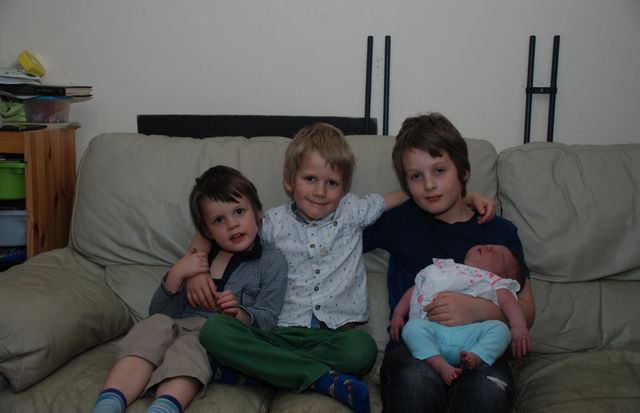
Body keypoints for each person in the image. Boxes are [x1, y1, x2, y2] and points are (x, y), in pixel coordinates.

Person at [186, 123, 496, 413]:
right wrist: (197, 269)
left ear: (345, 189)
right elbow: (215, 228)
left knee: (363, 350)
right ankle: (319, 378)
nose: (320, 191)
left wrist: (464, 195)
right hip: (277, 333)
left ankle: (263, 371)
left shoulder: (353, 211)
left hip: (332, 339)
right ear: (289, 181)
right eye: (310, 179)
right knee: (215, 330)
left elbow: (414, 195)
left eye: (331, 183)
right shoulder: (272, 223)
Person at [363, 112, 535, 413]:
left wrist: (479, 310)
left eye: (440, 171)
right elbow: (337, 231)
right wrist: (419, 194)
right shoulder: (400, 222)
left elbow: (527, 311)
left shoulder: (498, 232)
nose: (429, 185)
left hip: (479, 345)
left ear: (464, 171)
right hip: (416, 347)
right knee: (414, 385)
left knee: (487, 392)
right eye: (416, 176)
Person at [92, 166, 288, 413]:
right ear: (206, 230)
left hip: (212, 337)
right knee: (153, 326)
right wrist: (176, 275)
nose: (232, 224)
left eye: (239, 211)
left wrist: (238, 314)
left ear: (258, 212)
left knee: (192, 346)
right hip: (176, 323)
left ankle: (163, 408)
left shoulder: (272, 261)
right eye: (219, 220)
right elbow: (159, 312)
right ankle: (108, 404)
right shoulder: (199, 256)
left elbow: (268, 318)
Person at [390, 244, 531, 385]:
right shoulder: (442, 268)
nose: (489, 247)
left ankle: (476, 356)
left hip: (470, 337)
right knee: (412, 327)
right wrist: (398, 314)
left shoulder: (493, 280)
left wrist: (518, 326)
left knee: (501, 330)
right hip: (433, 332)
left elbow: (508, 301)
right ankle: (438, 363)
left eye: (497, 255)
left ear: (504, 276)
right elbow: (416, 288)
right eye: (489, 246)